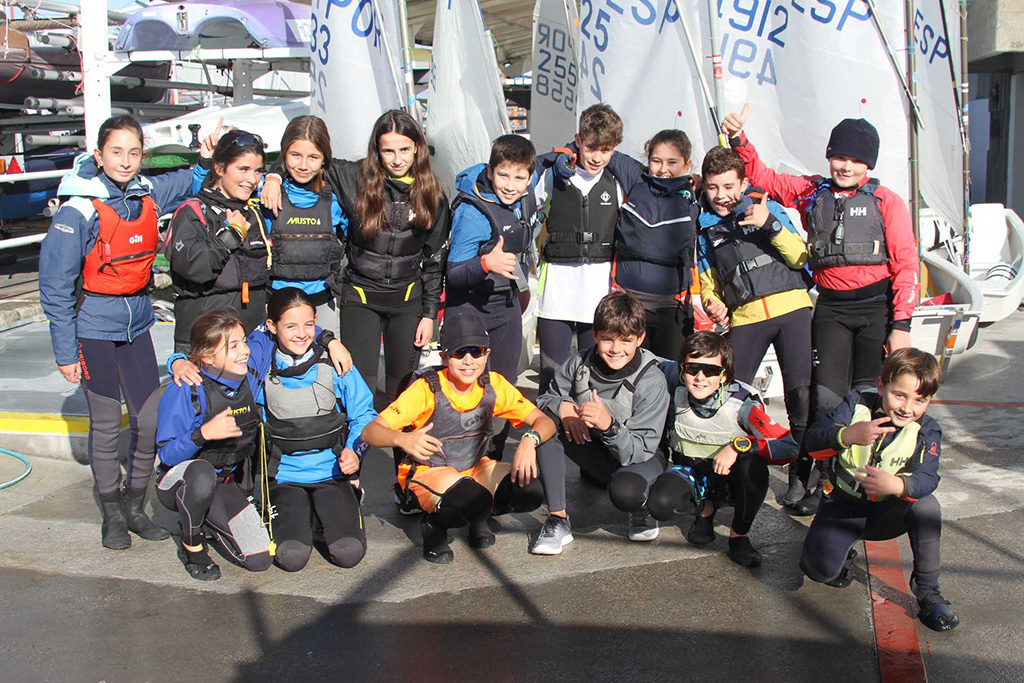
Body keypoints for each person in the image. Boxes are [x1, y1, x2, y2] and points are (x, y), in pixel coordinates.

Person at [722, 105, 920, 515]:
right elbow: (764, 179)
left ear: (869, 163)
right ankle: (810, 478)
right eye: (839, 157)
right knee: (825, 403)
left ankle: (859, 481)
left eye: (855, 159)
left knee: (866, 401)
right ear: (829, 157)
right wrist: (739, 139)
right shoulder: (814, 191)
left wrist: (901, 324)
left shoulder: (887, 202)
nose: (845, 166)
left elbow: (906, 265)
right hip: (831, 310)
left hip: (876, 311)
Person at [39, 114, 201, 549]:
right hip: (93, 327)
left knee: (148, 421)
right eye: (116, 152)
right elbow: (55, 287)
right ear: (98, 154)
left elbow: (189, 179)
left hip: (138, 324)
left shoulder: (145, 193)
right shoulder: (78, 208)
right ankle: (111, 512)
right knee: (108, 424)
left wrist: (208, 154)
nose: (126, 161)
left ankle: (136, 506)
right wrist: (65, 352)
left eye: (134, 153)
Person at [262, 110, 450, 405]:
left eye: (404, 149)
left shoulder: (434, 194)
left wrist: (429, 315)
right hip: (361, 298)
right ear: (377, 150)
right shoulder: (354, 177)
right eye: (388, 150)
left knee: (402, 392)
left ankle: (403, 452)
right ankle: (354, 450)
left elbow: (435, 260)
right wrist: (273, 175)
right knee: (357, 387)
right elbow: (307, 155)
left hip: (407, 301)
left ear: (417, 148)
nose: (397, 159)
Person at [361, 313, 556, 564]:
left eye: (476, 352)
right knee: (473, 501)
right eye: (459, 352)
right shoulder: (425, 388)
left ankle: (478, 515)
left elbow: (545, 422)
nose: (468, 361)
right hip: (432, 471)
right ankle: (434, 527)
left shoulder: (493, 384)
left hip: (476, 467)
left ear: (486, 354)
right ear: (444, 356)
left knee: (529, 491)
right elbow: (370, 431)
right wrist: (402, 439)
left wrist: (529, 440)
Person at [800, 348, 959, 632]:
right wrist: (847, 435)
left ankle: (928, 590)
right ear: (881, 385)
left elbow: (928, 477)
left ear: (929, 401)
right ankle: (841, 551)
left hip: (887, 512)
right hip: (843, 506)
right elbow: (813, 442)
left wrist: (898, 485)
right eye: (900, 394)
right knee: (819, 571)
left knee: (927, 506)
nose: (907, 408)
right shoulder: (856, 403)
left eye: (919, 400)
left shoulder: (927, 429)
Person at [696, 145, 813, 488]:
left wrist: (770, 224)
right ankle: (728, 471)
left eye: (730, 186)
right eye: (714, 187)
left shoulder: (767, 207)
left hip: (791, 309)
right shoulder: (703, 229)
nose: (722, 196)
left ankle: (801, 474)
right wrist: (713, 302)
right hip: (746, 317)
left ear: (744, 183)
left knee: (801, 394)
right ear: (704, 185)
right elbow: (709, 283)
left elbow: (800, 258)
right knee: (730, 394)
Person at [530, 292, 669, 554]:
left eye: (626, 340)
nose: (616, 349)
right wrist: (564, 407)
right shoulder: (579, 362)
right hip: (597, 452)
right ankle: (558, 520)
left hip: (641, 457)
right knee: (548, 422)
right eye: (607, 339)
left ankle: (641, 506)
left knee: (626, 492)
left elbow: (639, 450)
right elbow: (545, 398)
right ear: (594, 335)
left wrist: (609, 425)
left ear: (640, 339)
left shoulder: (652, 380)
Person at [646, 331, 799, 567]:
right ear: (682, 369)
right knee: (660, 503)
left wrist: (740, 445)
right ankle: (705, 511)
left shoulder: (743, 403)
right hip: (693, 473)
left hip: (731, 480)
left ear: (724, 375)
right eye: (692, 368)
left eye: (710, 370)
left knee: (754, 468)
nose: (699, 377)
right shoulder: (675, 392)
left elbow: (789, 447)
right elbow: (644, 358)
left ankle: (739, 535)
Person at [254, 288, 376, 572]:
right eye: (291, 326)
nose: (301, 334)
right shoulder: (259, 366)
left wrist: (354, 451)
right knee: (291, 557)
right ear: (272, 327)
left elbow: (365, 414)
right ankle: (303, 518)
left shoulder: (335, 362)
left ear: (317, 322)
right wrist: (177, 362)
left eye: (309, 325)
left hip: (331, 474)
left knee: (348, 554)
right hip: (283, 477)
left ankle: (326, 516)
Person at [557, 129, 700, 359]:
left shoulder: (697, 193)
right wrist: (562, 156)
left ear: (687, 165)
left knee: (670, 377)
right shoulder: (636, 177)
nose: (663, 169)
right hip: (628, 305)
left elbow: (733, 187)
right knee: (627, 376)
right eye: (656, 161)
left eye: (672, 162)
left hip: (672, 308)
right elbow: (598, 144)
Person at [155, 310, 272, 580]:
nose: (244, 351)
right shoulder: (186, 387)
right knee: (201, 473)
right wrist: (203, 434)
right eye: (233, 346)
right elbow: (166, 454)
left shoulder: (246, 372)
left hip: (223, 482)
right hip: (178, 481)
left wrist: (329, 341)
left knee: (259, 559)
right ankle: (192, 544)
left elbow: (271, 326)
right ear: (207, 358)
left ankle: (208, 520)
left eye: (243, 341)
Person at [536, 104, 624, 394]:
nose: (597, 157)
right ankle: (547, 434)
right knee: (552, 375)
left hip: (597, 296)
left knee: (593, 379)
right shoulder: (551, 176)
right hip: (555, 294)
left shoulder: (618, 183)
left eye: (606, 150)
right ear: (578, 140)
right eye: (591, 148)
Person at [167, 128, 271, 351]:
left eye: (257, 171)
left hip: (250, 338)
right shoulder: (193, 212)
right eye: (243, 169)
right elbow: (196, 267)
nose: (251, 179)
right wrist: (231, 235)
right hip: (206, 341)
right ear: (220, 168)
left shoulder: (253, 212)